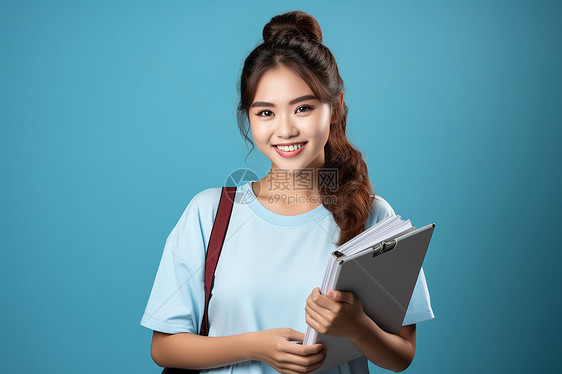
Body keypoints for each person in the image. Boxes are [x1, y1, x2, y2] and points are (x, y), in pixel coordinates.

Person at [140, 10, 434, 374]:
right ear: (248, 117)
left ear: (335, 108)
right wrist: (257, 347)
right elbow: (164, 346)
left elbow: (402, 353)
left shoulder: (375, 218)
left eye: (304, 107)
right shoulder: (209, 213)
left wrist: (357, 327)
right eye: (266, 113)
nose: (286, 129)